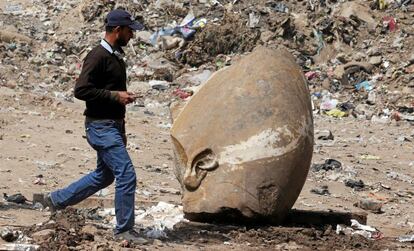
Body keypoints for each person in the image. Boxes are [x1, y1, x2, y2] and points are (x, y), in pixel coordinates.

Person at [41, 9, 146, 243]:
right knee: (126, 174)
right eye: (129, 31)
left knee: (105, 176)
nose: (132, 36)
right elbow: (81, 90)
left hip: (112, 127)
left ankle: (57, 199)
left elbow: (109, 92)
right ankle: (124, 231)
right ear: (117, 30)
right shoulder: (97, 56)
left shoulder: (115, 56)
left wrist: (121, 117)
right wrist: (114, 96)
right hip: (100, 127)